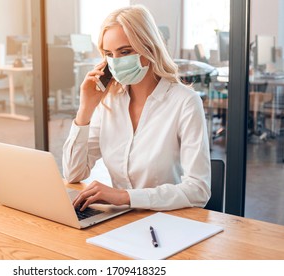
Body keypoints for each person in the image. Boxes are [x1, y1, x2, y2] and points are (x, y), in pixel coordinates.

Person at [62, 5, 211, 212]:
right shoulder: (108, 103)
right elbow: (73, 174)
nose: (116, 62)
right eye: (109, 54)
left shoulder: (185, 101)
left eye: (125, 51)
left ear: (148, 47)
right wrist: (85, 110)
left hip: (169, 222)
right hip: (121, 220)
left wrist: (125, 197)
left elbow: (198, 190)